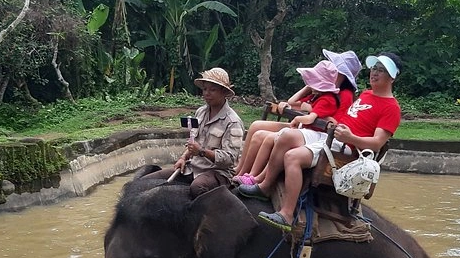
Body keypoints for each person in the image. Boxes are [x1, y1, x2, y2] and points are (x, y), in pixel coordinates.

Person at [238, 52, 403, 231]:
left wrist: (350, 138)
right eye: (374, 68)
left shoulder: (391, 108)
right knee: (286, 136)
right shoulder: (366, 94)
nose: (374, 73)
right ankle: (264, 185)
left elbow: (377, 143)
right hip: (331, 136)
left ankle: (286, 214)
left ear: (392, 77)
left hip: (346, 149)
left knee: (292, 157)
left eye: (381, 70)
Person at [233, 49, 361, 185]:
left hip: (315, 132)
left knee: (261, 136)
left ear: (343, 75)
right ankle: (239, 169)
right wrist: (309, 85)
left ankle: (250, 176)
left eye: (336, 68)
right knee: (256, 126)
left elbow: (336, 123)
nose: (332, 69)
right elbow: (295, 103)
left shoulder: (343, 95)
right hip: (303, 126)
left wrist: (312, 111)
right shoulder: (319, 91)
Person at [145, 67, 244, 197]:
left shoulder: (232, 122)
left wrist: (202, 152)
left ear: (224, 92)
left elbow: (229, 159)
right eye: (205, 89)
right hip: (193, 167)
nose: (207, 93)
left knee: (198, 187)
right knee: (149, 181)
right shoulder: (200, 112)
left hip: (218, 172)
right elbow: (194, 142)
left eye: (212, 90)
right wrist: (183, 158)